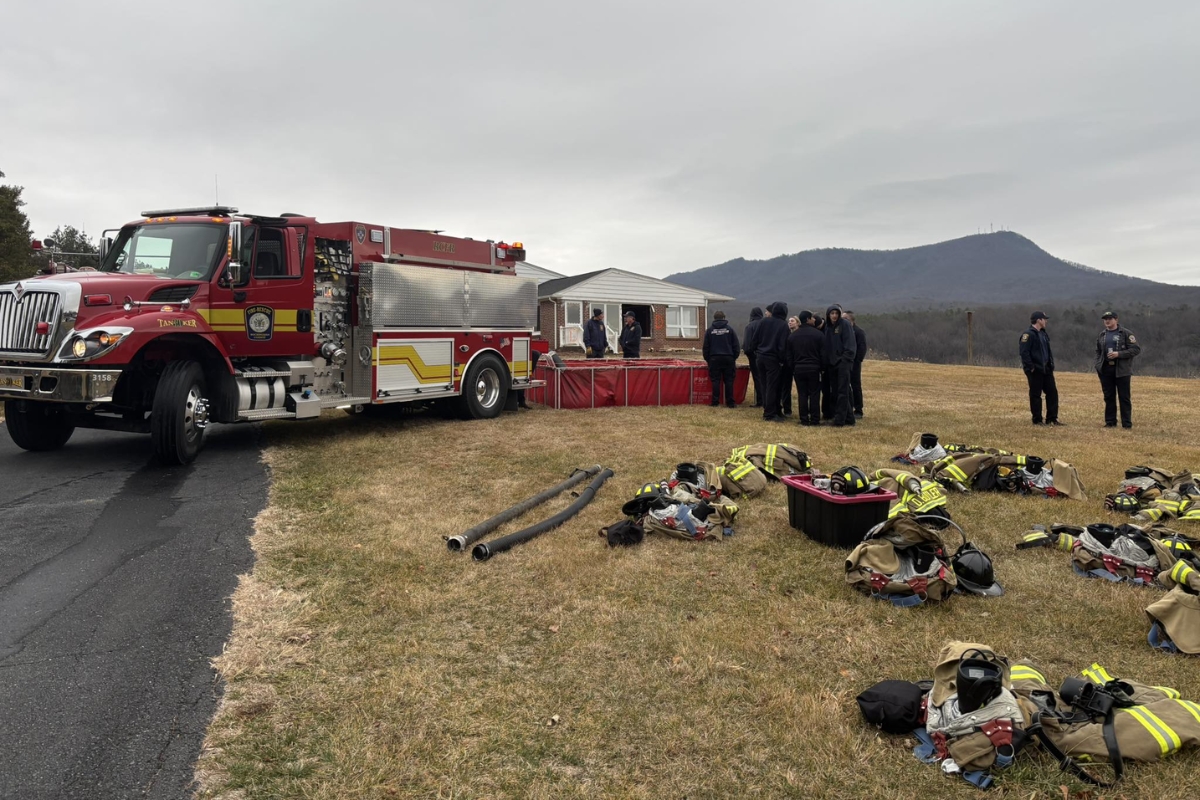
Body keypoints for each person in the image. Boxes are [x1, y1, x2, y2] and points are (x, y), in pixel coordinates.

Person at [1094, 310, 1141, 429]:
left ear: (1116, 319)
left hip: (1122, 370)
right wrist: (1098, 364)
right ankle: (1110, 422)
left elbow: (1135, 349)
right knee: (1109, 397)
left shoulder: (1126, 333)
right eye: (1105, 319)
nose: (1107, 321)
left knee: (1124, 397)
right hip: (1106, 370)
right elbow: (1098, 351)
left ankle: (1126, 424)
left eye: (1110, 319)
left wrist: (1119, 354)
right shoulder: (1102, 335)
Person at [785, 310, 825, 425]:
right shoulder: (818, 335)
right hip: (814, 368)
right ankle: (815, 419)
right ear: (808, 319)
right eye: (812, 318)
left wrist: (793, 367)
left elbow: (789, 355)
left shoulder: (793, 336)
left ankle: (804, 418)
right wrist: (822, 367)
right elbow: (823, 354)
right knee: (814, 394)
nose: (814, 319)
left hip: (798, 368)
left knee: (802, 394)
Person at [1019, 311, 1059, 425]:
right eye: (1044, 319)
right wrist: (1031, 367)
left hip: (1046, 369)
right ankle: (1037, 419)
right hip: (1035, 370)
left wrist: (1050, 364)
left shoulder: (1043, 334)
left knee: (1052, 393)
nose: (1046, 321)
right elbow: (1024, 353)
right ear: (1038, 320)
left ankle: (1052, 418)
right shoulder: (1028, 334)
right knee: (1036, 395)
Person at [754, 302, 791, 422]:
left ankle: (774, 410)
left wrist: (757, 351)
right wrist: (782, 360)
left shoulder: (763, 322)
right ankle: (770, 413)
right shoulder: (783, 325)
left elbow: (754, 339)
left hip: (760, 357)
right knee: (773, 386)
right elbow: (783, 345)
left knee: (764, 385)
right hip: (773, 359)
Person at [823, 304, 857, 426]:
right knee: (837, 392)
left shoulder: (845, 325)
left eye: (836, 313)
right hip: (832, 364)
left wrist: (845, 360)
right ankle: (849, 418)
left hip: (843, 363)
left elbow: (850, 345)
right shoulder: (828, 327)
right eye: (832, 313)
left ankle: (839, 420)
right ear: (828, 315)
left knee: (843, 392)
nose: (834, 316)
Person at [702, 310, 740, 408]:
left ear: (714, 318)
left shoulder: (710, 331)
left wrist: (708, 359)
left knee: (715, 380)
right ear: (724, 318)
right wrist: (733, 357)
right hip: (728, 357)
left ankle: (715, 402)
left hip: (714, 358)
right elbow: (736, 346)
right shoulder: (730, 330)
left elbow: (706, 347)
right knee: (729, 380)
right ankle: (730, 402)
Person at [844, 311, 866, 418]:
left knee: (856, 386)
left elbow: (862, 348)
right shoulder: (843, 331)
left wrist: (857, 361)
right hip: (845, 363)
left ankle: (858, 409)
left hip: (854, 364)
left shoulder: (858, 332)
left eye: (845, 318)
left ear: (851, 320)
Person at [742, 307, 764, 407]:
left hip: (754, 356)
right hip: (766, 354)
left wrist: (748, 353)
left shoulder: (750, 326)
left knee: (757, 378)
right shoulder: (766, 324)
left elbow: (747, 344)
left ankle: (760, 400)